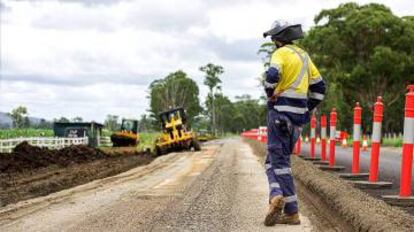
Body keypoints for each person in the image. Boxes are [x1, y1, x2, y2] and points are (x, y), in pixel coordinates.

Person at [262, 20, 326, 226]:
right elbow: (320, 88)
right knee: (275, 161)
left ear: (278, 39)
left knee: (278, 164)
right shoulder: (304, 56)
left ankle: (284, 203)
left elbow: (272, 75)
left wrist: (270, 93)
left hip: (279, 114)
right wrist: (306, 109)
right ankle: (282, 203)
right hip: (297, 121)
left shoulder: (280, 54)